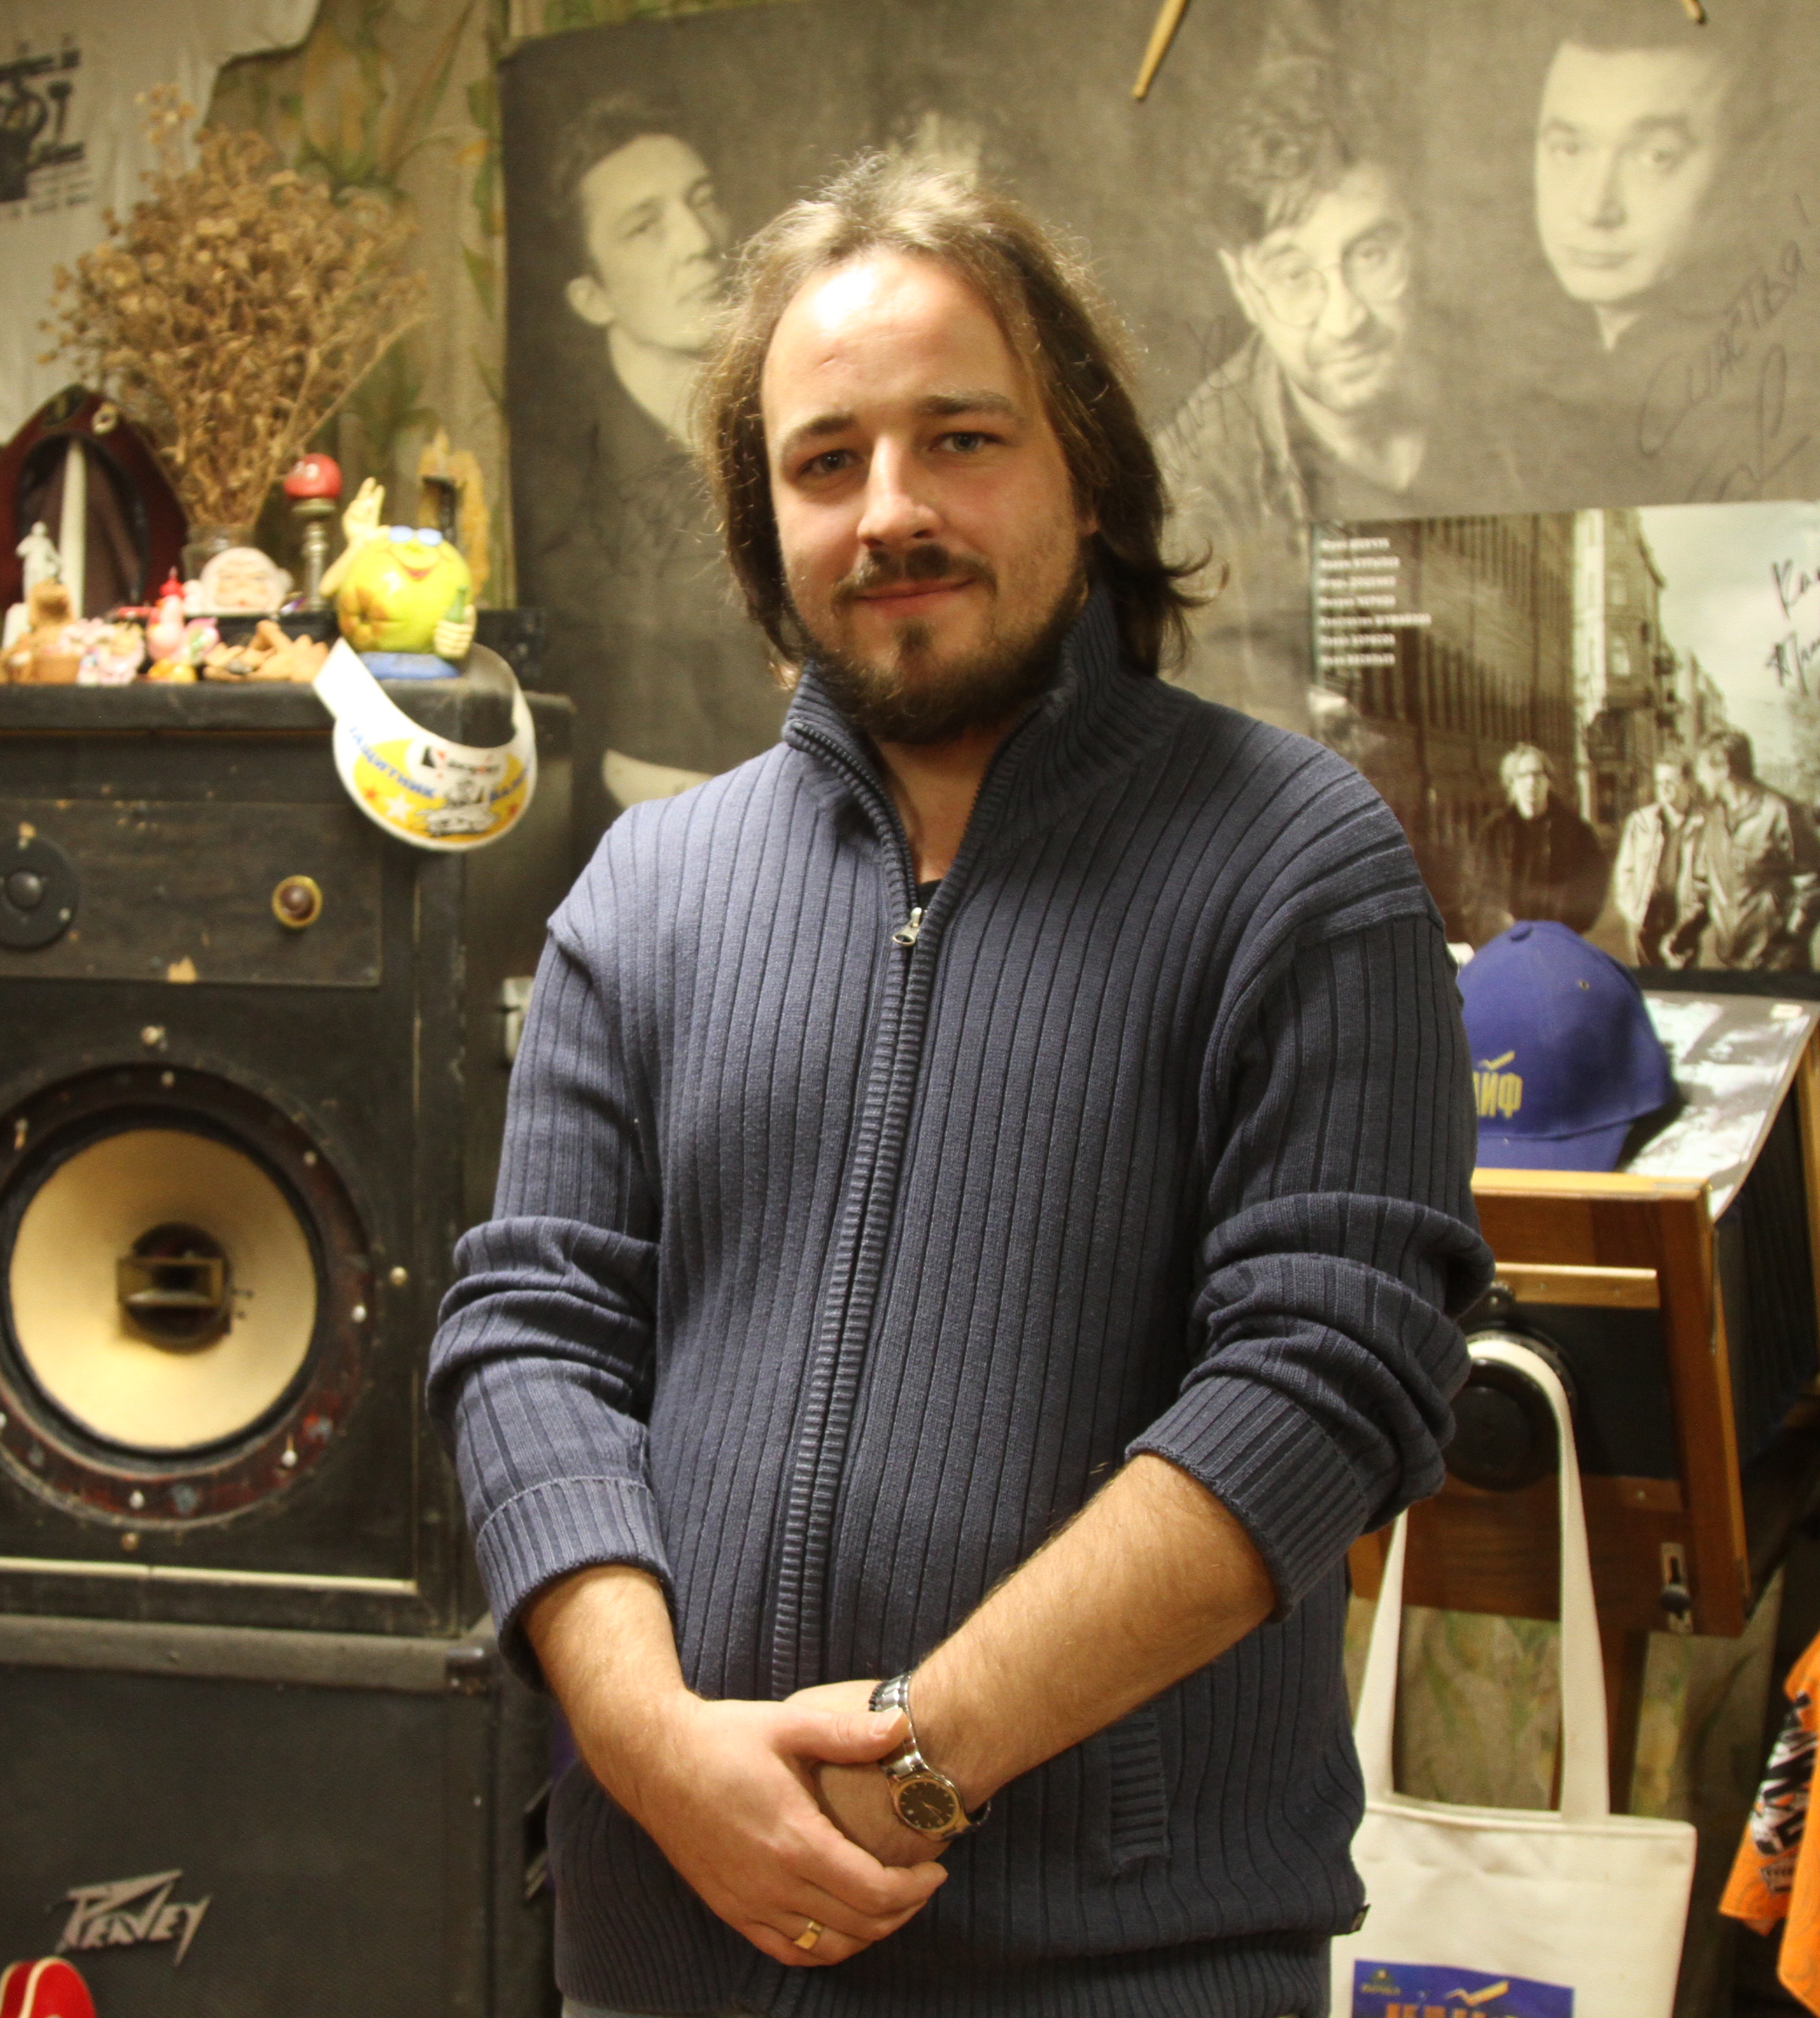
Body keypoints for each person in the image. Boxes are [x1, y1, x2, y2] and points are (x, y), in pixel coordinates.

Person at [432, 155, 1488, 2015]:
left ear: (1086, 470)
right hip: (665, 1940)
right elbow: (530, 1341)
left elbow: (1329, 1376)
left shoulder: (1296, 863)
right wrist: (657, 1747)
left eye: (961, 439)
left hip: (1122, 1965)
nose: (891, 509)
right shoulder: (645, 891)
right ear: (763, 519)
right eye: (824, 461)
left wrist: (918, 1767)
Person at [1159, 63, 1506, 734]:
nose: (1346, 319)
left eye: (1371, 254)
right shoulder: (1192, 492)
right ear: (1243, 286)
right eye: (1294, 275)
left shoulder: (1511, 390)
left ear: (1418, 233)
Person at [520, 95, 788, 829]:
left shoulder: (801, 437)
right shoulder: (555, 498)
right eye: (646, 226)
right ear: (592, 296)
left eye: (703, 202)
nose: (699, 241)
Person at [1511, 4, 1756, 504]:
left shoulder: (1752, 397)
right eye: (1569, 149)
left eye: (1655, 157)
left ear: (1746, 173)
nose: (1595, 207)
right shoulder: (1522, 368)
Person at [1692, 730, 1820, 970]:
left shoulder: (1781, 812)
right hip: (1730, 958)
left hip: (1778, 965)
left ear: (1724, 767)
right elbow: (1703, 883)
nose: (1699, 778)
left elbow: (1817, 883)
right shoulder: (1713, 818)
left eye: (1702, 768)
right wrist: (1684, 932)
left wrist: (1788, 944)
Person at [1468, 743, 1610, 939]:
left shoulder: (1576, 830)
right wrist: (1498, 923)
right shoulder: (1493, 832)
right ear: (1511, 783)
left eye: (1537, 774)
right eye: (1522, 776)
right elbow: (1475, 888)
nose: (1531, 782)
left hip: (1558, 938)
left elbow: (1594, 882)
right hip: (1508, 939)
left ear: (1548, 780)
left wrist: (1570, 925)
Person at [1610, 752, 1708, 966]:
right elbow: (1624, 871)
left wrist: (1692, 919)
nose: (1663, 788)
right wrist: (1632, 911)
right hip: (1645, 919)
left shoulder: (1704, 824)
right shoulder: (1641, 822)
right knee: (1648, 981)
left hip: (1684, 921)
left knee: (1683, 982)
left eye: (1670, 782)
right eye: (1659, 782)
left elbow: (1709, 880)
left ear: (1688, 783)